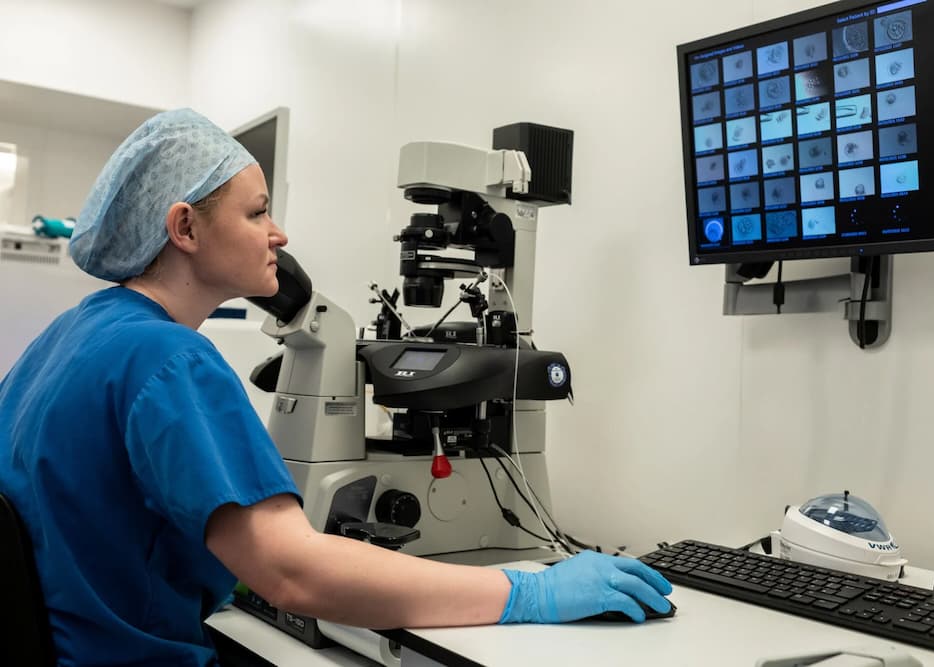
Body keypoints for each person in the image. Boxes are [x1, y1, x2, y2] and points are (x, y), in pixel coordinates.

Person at [0, 109, 672, 666]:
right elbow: (294, 573)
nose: (279, 233)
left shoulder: (68, 337)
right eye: (258, 213)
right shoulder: (169, 359)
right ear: (185, 228)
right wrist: (529, 592)